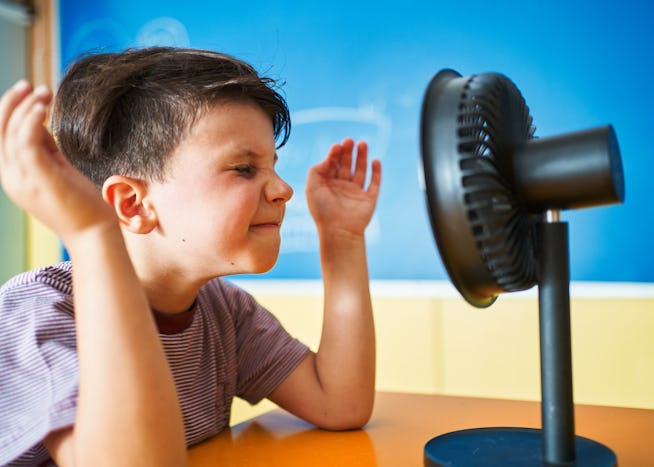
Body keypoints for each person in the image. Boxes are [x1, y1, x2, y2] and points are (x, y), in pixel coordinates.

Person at [0, 47, 381, 466]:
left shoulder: (223, 310)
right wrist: (93, 234)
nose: (283, 189)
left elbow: (338, 402)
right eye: (244, 169)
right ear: (132, 205)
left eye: (273, 165)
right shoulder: (41, 310)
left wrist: (342, 239)